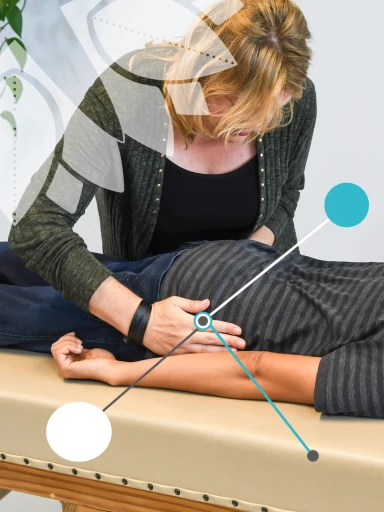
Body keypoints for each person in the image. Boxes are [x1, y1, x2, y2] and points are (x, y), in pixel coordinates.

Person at [7, 0, 316, 359]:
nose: (260, 124)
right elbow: (37, 226)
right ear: (202, 73)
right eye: (237, 105)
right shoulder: (127, 93)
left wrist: (247, 260)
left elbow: (288, 191)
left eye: (273, 110)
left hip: (253, 302)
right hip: (150, 302)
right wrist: (143, 322)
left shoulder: (298, 99)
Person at [1, 239, 384, 420]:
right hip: (193, 317)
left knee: (27, 260)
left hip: (228, 261)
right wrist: (118, 372)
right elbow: (257, 369)